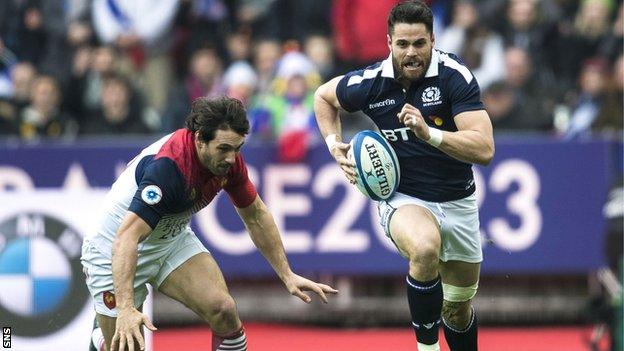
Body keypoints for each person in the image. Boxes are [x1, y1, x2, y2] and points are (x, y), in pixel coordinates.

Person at [81, 96, 337, 351]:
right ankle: (103, 339)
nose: (231, 158)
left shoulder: (229, 161)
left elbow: (256, 215)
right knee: (125, 345)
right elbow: (126, 238)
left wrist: (287, 274)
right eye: (224, 148)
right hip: (113, 251)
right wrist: (126, 308)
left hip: (170, 240)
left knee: (224, 310)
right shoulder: (169, 168)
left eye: (237, 148)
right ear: (200, 139)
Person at [313, 1, 494, 350]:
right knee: (424, 248)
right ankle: (426, 348)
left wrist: (430, 134)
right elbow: (323, 97)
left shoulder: (454, 76)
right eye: (402, 44)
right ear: (389, 43)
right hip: (404, 197)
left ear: (432, 40)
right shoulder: (372, 82)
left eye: (419, 44)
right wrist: (333, 143)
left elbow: (484, 149)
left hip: (458, 200)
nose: (411, 53)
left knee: (456, 311)